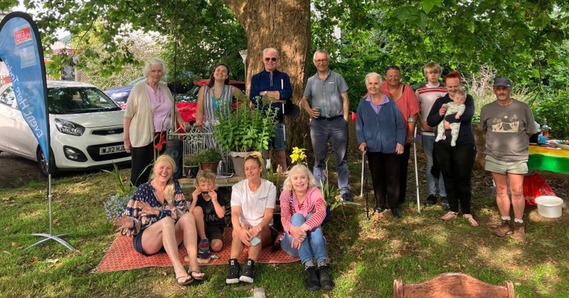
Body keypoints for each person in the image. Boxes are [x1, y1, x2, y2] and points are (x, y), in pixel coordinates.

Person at [113, 155, 205, 286]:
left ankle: (194, 265)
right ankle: (178, 269)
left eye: (168, 168)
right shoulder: (143, 190)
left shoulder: (174, 186)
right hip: (149, 240)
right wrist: (131, 223)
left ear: (172, 171)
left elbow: (182, 210)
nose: (164, 171)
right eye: (161, 168)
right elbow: (132, 218)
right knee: (167, 220)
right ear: (155, 169)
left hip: (170, 238)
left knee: (188, 217)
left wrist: (157, 211)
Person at [480, 78, 538, 242]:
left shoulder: (523, 108)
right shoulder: (487, 109)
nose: (501, 91)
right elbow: (484, 130)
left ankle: (519, 224)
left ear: (510, 89)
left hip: (517, 156)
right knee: (501, 190)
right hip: (494, 155)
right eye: (498, 88)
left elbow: (531, 131)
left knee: (518, 191)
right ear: (494, 90)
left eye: (504, 88)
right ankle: (505, 222)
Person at [123, 58, 187, 186]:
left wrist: (181, 121)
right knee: (141, 171)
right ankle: (137, 198)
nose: (157, 74)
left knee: (163, 170)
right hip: (143, 135)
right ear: (147, 72)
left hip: (164, 135)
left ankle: (160, 195)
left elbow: (174, 109)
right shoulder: (138, 89)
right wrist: (126, 139)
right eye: (153, 71)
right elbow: (128, 115)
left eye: (159, 71)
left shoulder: (164, 88)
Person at [427, 70, 479, 227]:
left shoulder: (467, 99)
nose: (453, 89)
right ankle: (453, 209)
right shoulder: (441, 101)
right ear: (446, 86)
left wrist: (447, 119)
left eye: (455, 86)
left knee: (463, 177)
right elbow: (431, 121)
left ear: (460, 85)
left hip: (463, 144)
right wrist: (440, 113)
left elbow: (467, 115)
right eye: (449, 86)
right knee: (448, 176)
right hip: (443, 145)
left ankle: (467, 211)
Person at [300, 50, 352, 202]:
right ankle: (320, 192)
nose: (321, 63)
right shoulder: (311, 81)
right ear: (314, 62)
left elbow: (345, 99)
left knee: (341, 158)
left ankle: (344, 190)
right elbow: (304, 99)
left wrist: (344, 119)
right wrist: (309, 110)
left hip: (337, 122)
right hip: (318, 124)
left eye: (323, 60)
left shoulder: (337, 78)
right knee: (319, 159)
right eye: (318, 60)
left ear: (328, 61)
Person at [356, 73, 406, 218]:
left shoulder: (390, 103)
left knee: (393, 177)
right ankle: (379, 204)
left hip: (391, 146)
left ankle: (394, 205)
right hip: (372, 147)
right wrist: (362, 141)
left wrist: (400, 142)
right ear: (367, 85)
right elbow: (359, 125)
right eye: (370, 84)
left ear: (380, 85)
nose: (373, 86)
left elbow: (400, 125)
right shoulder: (363, 104)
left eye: (375, 83)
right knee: (377, 176)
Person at [279, 164, 333, 291]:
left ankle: (322, 267)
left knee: (311, 217)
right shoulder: (286, 194)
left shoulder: (314, 192)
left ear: (308, 179)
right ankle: (309, 267)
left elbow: (321, 212)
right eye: (295, 178)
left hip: (312, 243)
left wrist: (302, 229)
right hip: (293, 244)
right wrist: (294, 230)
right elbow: (284, 218)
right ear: (290, 181)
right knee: (297, 217)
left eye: (303, 177)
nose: (299, 181)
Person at [226, 152, 276, 284]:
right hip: (244, 226)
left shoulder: (270, 187)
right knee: (237, 231)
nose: (249, 171)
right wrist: (239, 229)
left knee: (256, 233)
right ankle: (233, 265)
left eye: (253, 167)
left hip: (263, 228)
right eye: (247, 168)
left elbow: (268, 215)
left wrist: (257, 227)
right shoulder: (238, 188)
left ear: (260, 169)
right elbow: (235, 214)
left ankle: (250, 265)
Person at [250, 48, 293, 172]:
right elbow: (254, 98)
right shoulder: (256, 78)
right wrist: (277, 96)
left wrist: (265, 94)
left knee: (281, 155)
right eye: (267, 59)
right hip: (262, 123)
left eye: (273, 59)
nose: (270, 61)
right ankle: (264, 183)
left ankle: (284, 185)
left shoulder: (283, 77)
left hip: (278, 121)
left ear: (278, 60)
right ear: (263, 60)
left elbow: (287, 95)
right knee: (263, 155)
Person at [381, 65, 420, 205]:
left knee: (400, 167)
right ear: (385, 77)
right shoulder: (380, 87)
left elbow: (413, 113)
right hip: (383, 136)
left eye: (396, 75)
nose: (393, 78)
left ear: (400, 76)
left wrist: (410, 135)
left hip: (402, 135)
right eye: (390, 75)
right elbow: (367, 103)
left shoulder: (407, 90)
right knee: (384, 166)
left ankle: (399, 197)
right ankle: (384, 196)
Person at [415, 62, 448, 208]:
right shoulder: (420, 91)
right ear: (426, 74)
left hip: (443, 132)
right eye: (430, 72)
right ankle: (431, 193)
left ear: (439, 74)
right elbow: (415, 110)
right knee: (430, 163)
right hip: (427, 131)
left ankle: (444, 194)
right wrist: (422, 122)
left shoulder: (446, 90)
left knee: (442, 162)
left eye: (435, 72)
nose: (433, 75)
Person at [195, 63, 245, 148]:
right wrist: (199, 123)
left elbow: (245, 101)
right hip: (209, 130)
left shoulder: (232, 90)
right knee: (213, 156)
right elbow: (199, 109)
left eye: (223, 71)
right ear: (213, 73)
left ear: (226, 76)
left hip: (227, 130)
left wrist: (238, 116)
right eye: (218, 70)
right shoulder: (204, 90)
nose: (220, 72)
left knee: (227, 155)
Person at [189, 169, 226, 263]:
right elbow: (189, 215)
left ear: (214, 185)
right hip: (201, 228)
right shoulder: (196, 197)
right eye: (203, 185)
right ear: (197, 186)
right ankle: (204, 240)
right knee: (197, 210)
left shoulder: (218, 195)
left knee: (217, 247)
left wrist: (214, 200)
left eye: (209, 184)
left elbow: (221, 214)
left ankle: (206, 244)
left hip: (215, 227)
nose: (206, 187)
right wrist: (194, 200)